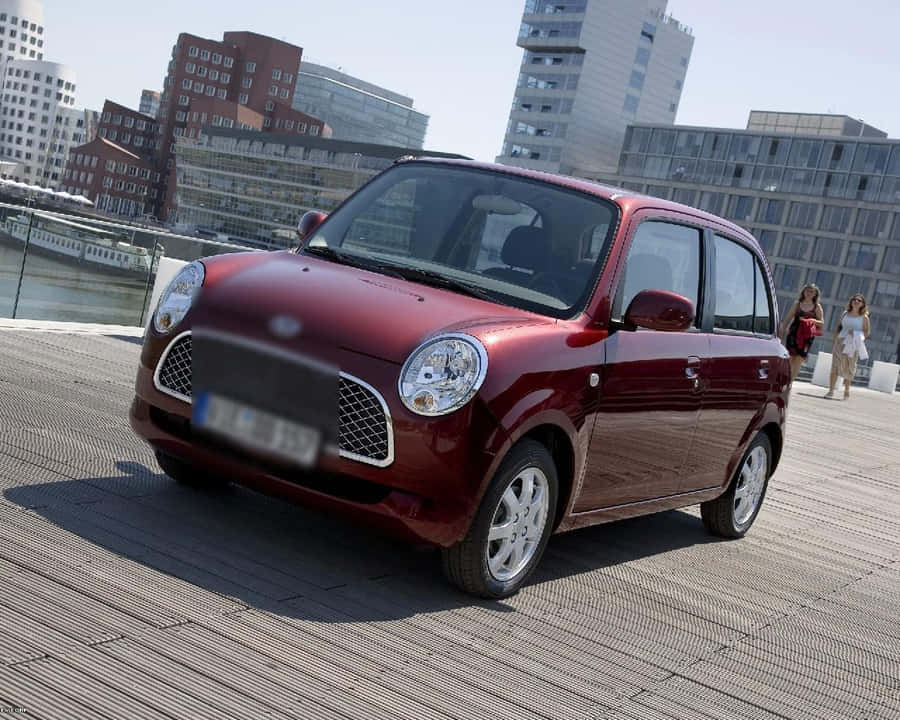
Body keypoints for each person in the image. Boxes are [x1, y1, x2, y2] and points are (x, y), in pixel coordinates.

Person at [826, 294, 870, 400]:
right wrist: (835, 339)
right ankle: (831, 390)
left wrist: (856, 333)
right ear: (851, 302)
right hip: (841, 341)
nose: (856, 301)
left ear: (863, 304)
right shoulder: (845, 313)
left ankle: (846, 390)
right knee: (835, 365)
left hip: (853, 344)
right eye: (854, 299)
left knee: (849, 367)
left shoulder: (864, 317)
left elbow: (867, 332)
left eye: (859, 300)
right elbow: (838, 327)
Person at [779, 284, 824, 382]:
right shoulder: (797, 304)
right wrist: (782, 332)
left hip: (807, 336)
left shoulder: (817, 307)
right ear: (803, 292)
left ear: (815, 294)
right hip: (794, 333)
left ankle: (791, 381)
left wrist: (812, 320)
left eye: (812, 291)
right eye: (807, 290)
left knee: (799, 358)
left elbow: (821, 323)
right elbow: (788, 319)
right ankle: (786, 379)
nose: (809, 293)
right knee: (791, 357)